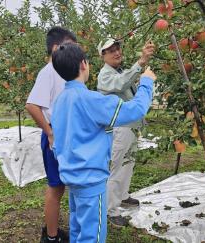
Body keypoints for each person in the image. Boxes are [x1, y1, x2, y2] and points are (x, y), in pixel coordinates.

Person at [51, 42, 156, 243]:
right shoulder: (91, 100)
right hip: (91, 181)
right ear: (84, 64)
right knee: (92, 236)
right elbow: (135, 110)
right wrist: (146, 83)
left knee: (78, 229)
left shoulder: (60, 100)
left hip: (72, 178)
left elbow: (57, 140)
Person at [25, 26, 77, 243]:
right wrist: (50, 132)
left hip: (64, 137)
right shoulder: (48, 72)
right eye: (70, 47)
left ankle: (53, 230)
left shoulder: (60, 72)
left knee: (60, 186)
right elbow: (31, 105)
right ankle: (51, 238)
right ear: (56, 48)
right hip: (55, 138)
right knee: (55, 188)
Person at [97, 38, 155, 227]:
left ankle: (123, 196)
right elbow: (121, 84)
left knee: (128, 163)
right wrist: (141, 62)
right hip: (119, 129)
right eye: (110, 50)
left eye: (117, 48)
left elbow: (127, 84)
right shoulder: (105, 76)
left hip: (130, 126)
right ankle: (111, 211)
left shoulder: (119, 71)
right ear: (102, 56)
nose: (116, 52)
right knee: (116, 168)